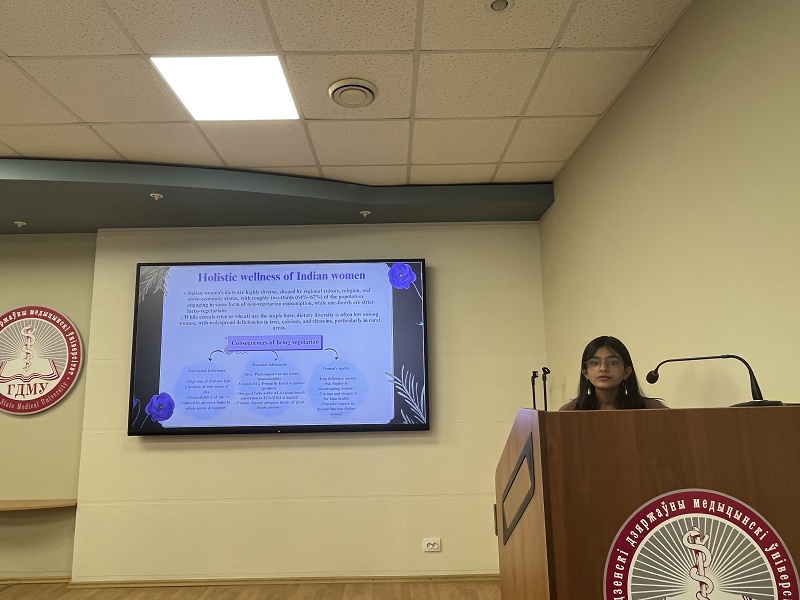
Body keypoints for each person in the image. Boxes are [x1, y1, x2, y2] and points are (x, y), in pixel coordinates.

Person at [559, 335, 667, 410]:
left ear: (626, 372)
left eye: (613, 362)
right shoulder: (569, 412)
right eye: (594, 363)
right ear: (585, 372)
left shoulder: (652, 409)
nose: (603, 368)